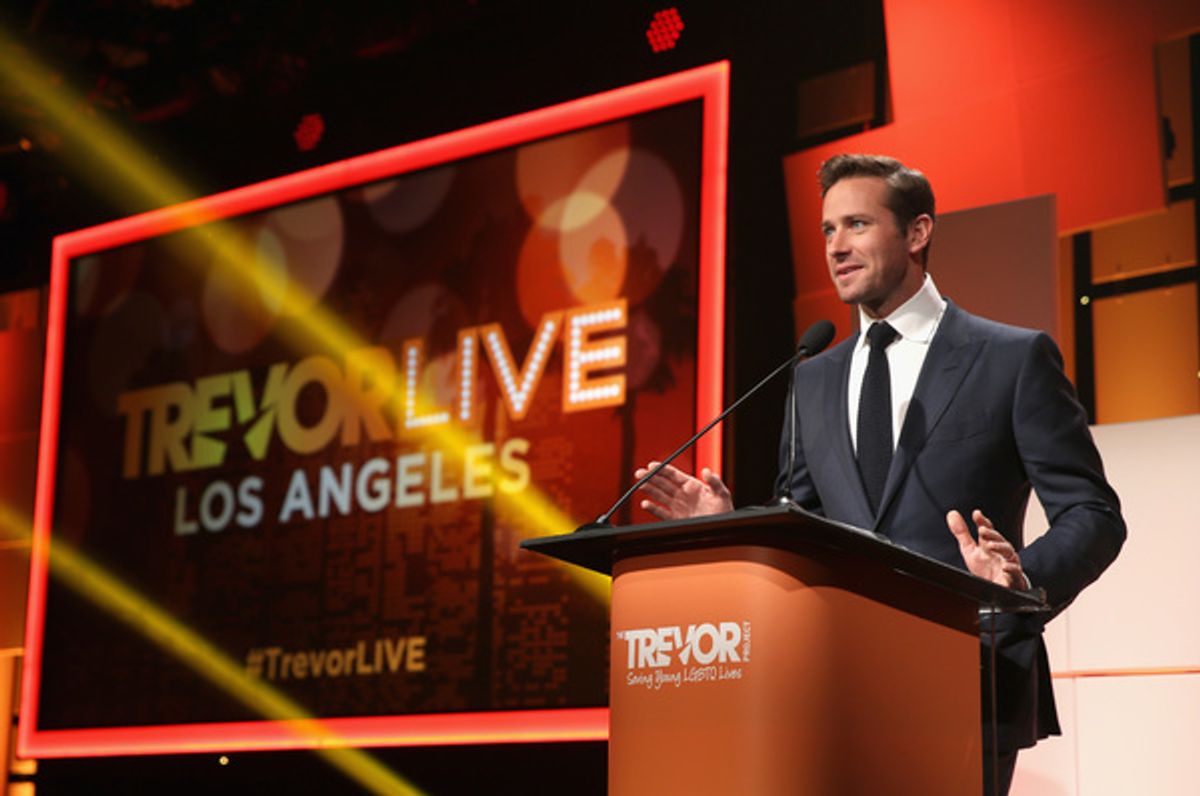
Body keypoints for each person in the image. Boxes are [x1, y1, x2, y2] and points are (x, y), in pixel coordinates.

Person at [635, 154, 1125, 795]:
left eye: (857, 225)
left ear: (917, 233)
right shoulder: (812, 376)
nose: (837, 246)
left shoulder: (1010, 358)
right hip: (833, 685)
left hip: (968, 671)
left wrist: (1020, 582)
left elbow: (1093, 513)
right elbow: (803, 526)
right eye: (828, 231)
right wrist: (730, 529)